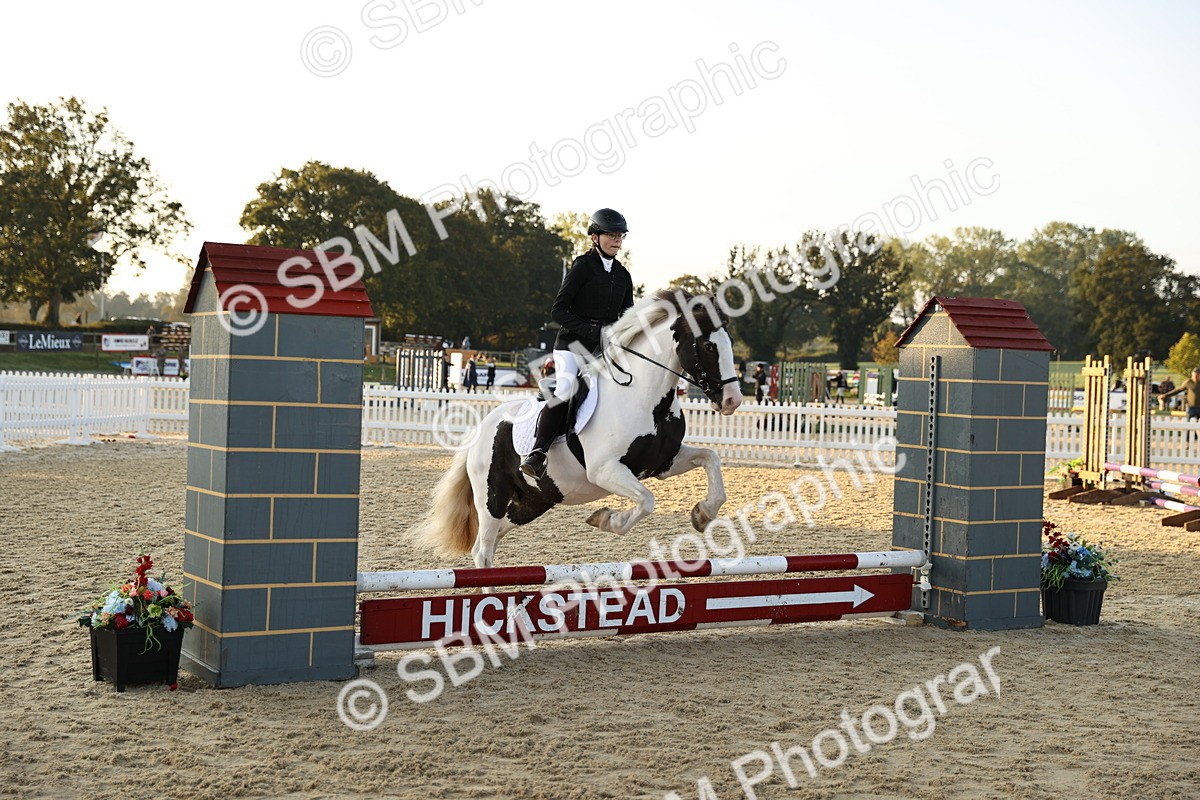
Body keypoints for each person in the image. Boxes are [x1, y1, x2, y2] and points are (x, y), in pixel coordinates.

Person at [520, 208, 634, 479]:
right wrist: (592, 330)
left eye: (620, 236)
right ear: (595, 238)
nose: (617, 240)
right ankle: (538, 453)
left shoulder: (623, 275)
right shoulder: (583, 266)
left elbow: (628, 316)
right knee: (567, 387)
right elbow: (558, 311)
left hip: (602, 349)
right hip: (571, 345)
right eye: (611, 235)